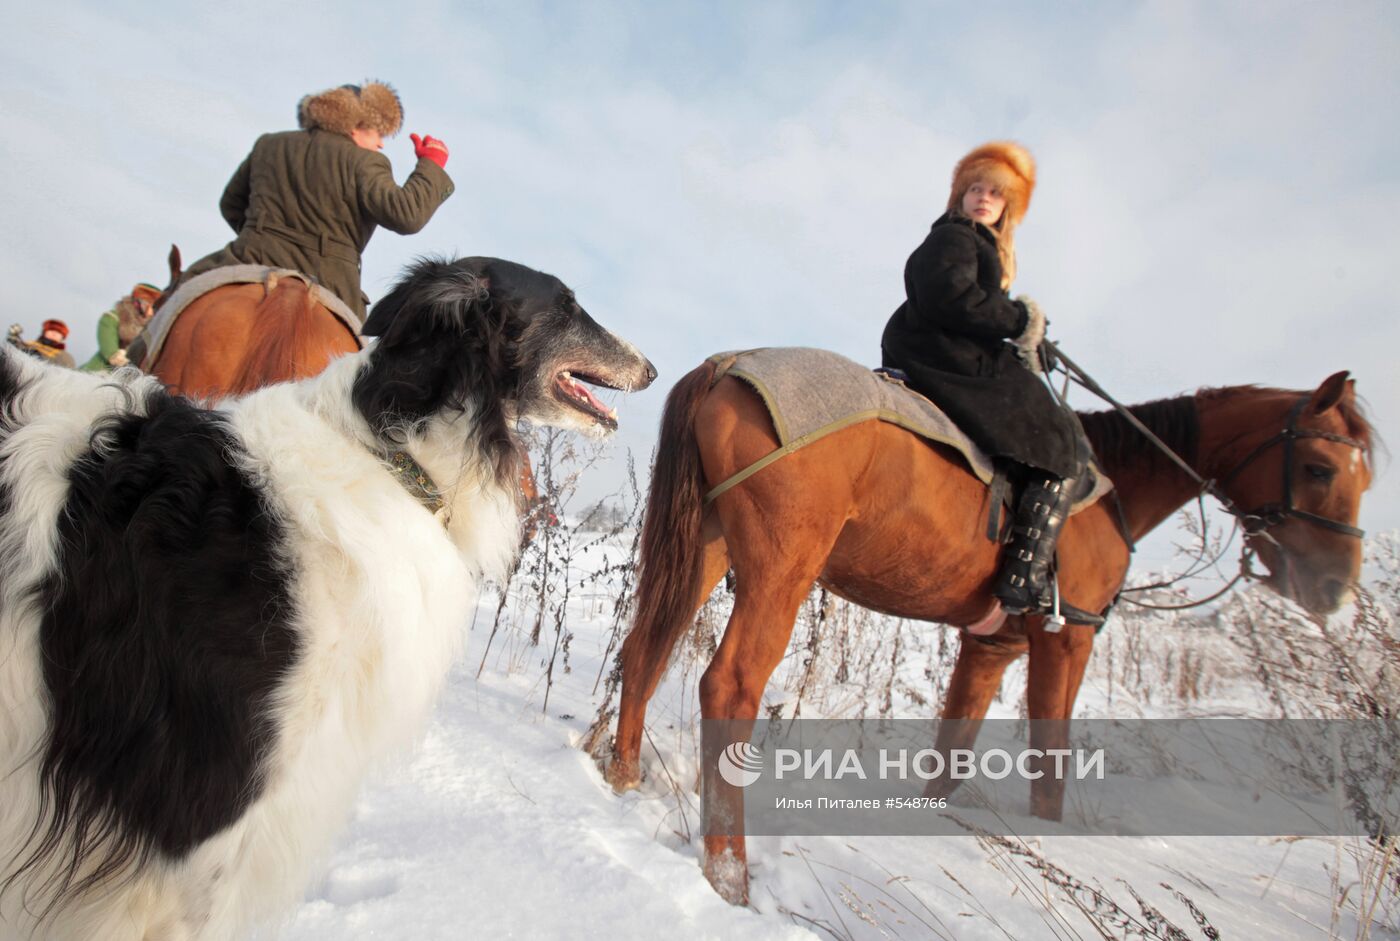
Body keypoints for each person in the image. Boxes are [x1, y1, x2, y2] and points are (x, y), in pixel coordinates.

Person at [881, 141, 1085, 616]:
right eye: (976, 188)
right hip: (942, 353)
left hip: (947, 347)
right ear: (960, 195)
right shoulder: (956, 236)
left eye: (995, 193)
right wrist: (1017, 321)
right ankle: (1024, 575)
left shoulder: (978, 243)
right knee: (1058, 438)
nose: (983, 198)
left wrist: (1027, 340)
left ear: (1007, 206)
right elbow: (953, 299)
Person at [177, 80, 454, 320]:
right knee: (354, 377)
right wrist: (431, 164)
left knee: (164, 314)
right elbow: (406, 215)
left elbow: (231, 205)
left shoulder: (269, 144)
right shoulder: (366, 161)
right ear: (356, 125)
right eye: (378, 132)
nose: (381, 143)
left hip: (248, 257)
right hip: (329, 281)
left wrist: (265, 236)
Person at [81, 282, 160, 372]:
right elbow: (111, 352)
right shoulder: (112, 318)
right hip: (103, 371)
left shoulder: (150, 330)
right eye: (148, 305)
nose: (151, 312)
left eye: (154, 308)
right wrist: (127, 365)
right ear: (137, 303)